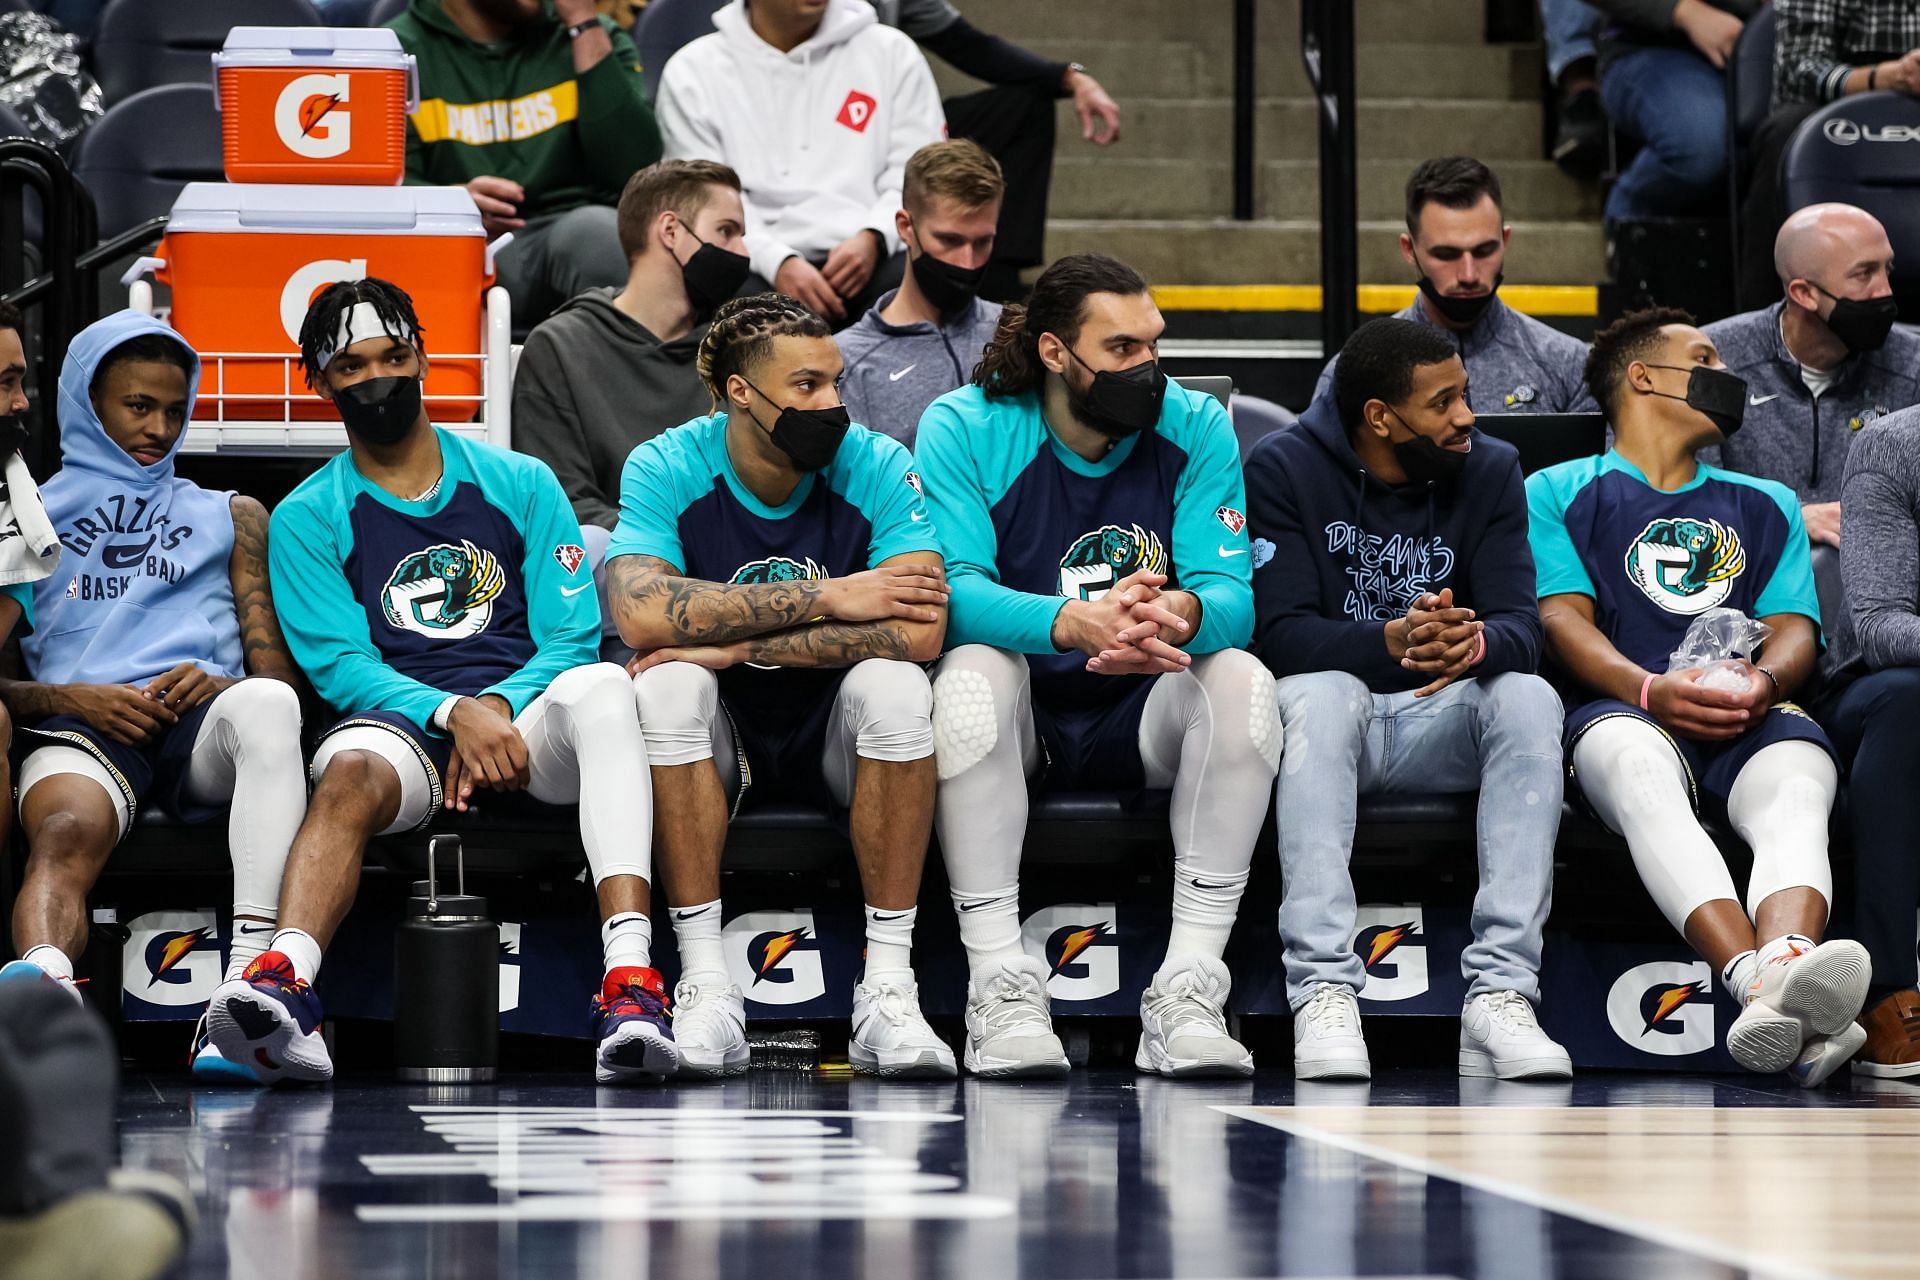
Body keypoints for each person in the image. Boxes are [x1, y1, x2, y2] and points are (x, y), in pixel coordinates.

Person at [206, 278, 670, 1088]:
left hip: (525, 716)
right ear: (318, 382)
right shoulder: (308, 515)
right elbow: (341, 667)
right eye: (351, 365)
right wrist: (453, 713)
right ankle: (286, 980)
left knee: (604, 687)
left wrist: (493, 708)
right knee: (346, 771)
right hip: (406, 724)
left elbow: (566, 633)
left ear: (421, 357)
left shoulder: (521, 482)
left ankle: (631, 981)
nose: (378, 378)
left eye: (393, 356)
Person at [915, 253, 1279, 1079]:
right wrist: (1069, 622)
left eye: (1153, 346)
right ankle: (998, 982)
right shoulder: (965, 425)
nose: (1146, 369)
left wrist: (1178, 610)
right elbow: (956, 595)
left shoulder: (1195, 423)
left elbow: (1232, 595)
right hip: (1026, 710)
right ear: (1053, 352)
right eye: (1121, 351)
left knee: (1244, 682)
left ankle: (1187, 990)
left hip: (1140, 702)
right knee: (971, 674)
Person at [607, 292, 955, 1079]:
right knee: (664, 691)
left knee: (900, 688)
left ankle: (888, 992)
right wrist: (829, 594)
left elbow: (921, 625)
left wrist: (736, 647)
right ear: (739, 392)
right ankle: (705, 986)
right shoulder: (666, 463)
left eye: (835, 383)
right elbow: (638, 613)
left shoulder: (876, 461)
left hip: (837, 724)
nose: (831, 404)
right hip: (721, 734)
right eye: (805, 387)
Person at [1528, 306, 1869, 1087]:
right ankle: (1762, 984)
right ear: (1644, 377)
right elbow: (1561, 619)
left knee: (1799, 780)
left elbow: (1794, 627)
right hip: (1626, 706)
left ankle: (1781, 970)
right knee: (1635, 765)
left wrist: (1765, 680)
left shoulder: (1766, 500)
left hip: (1745, 707)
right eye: (1705, 357)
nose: (1729, 376)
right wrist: (1648, 686)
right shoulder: (1556, 489)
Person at [1251, 317, 1571, 1083]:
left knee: (1527, 697)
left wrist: (1474, 645)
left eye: (1464, 395)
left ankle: (1501, 994)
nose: (1467, 416)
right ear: (1379, 417)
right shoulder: (1283, 467)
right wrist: (1388, 642)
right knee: (1321, 694)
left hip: (1441, 717)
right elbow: (1278, 637)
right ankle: (1323, 988)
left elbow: (1522, 627)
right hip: (1336, 723)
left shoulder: (1492, 468)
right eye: (1443, 403)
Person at [0, 312, 308, 1087]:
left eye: (175, 410)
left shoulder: (232, 513)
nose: (159, 428)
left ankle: (248, 988)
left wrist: (228, 682)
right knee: (65, 829)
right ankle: (45, 993)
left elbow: (279, 678)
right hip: (81, 720)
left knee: (269, 709)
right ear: (86, 401)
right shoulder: (27, 510)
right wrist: (68, 697)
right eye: (138, 406)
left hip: (205, 721)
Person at [512, 158, 751, 653]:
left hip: (740, 579)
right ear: (670, 230)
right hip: (620, 587)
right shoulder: (560, 345)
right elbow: (565, 502)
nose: (742, 253)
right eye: (726, 231)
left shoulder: (742, 350)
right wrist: (681, 549)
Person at [656, 0, 946, 329]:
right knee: (721, 286)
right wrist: (778, 262)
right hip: (753, 264)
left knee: (925, 269)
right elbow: (704, 202)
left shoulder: (892, 52)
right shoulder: (692, 71)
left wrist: (875, 237)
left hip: (876, 257)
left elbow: (920, 177)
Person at [387, 0, 663, 323]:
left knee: (600, 236)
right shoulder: (394, 53)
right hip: (459, 241)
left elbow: (635, 171)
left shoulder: (593, 34)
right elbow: (372, 190)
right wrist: (452, 203)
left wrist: (583, 24)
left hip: (570, 227)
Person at [870, 0, 1121, 300]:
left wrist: (1070, 78)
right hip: (834, 137)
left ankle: (995, 282)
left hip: (892, 119)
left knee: (1027, 105)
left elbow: (967, 45)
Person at [1312, 158, 1597, 416]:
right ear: (1409, 249)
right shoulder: (1351, 377)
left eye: (1484, 251)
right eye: (1446, 255)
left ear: (1505, 241)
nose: (1469, 274)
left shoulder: (1568, 365)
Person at [1826, 408, 1920, 1076]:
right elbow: (1883, 627)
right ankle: (1888, 989)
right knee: (1912, 697)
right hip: (1876, 689)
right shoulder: (1896, 446)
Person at [1738, 0, 1920, 305]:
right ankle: (1767, 318)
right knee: (1786, 135)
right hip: (1838, 97)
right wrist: (1885, 78)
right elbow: (1800, 68)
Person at [835, 139, 1004, 446]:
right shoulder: (847, 361)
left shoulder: (1013, 334)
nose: (967, 262)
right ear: (905, 227)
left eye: (982, 242)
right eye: (949, 240)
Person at [1587, 0, 1758, 223]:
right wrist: (1685, 12)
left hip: (1769, 49)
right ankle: (1629, 219)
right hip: (1652, 46)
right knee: (1699, 145)